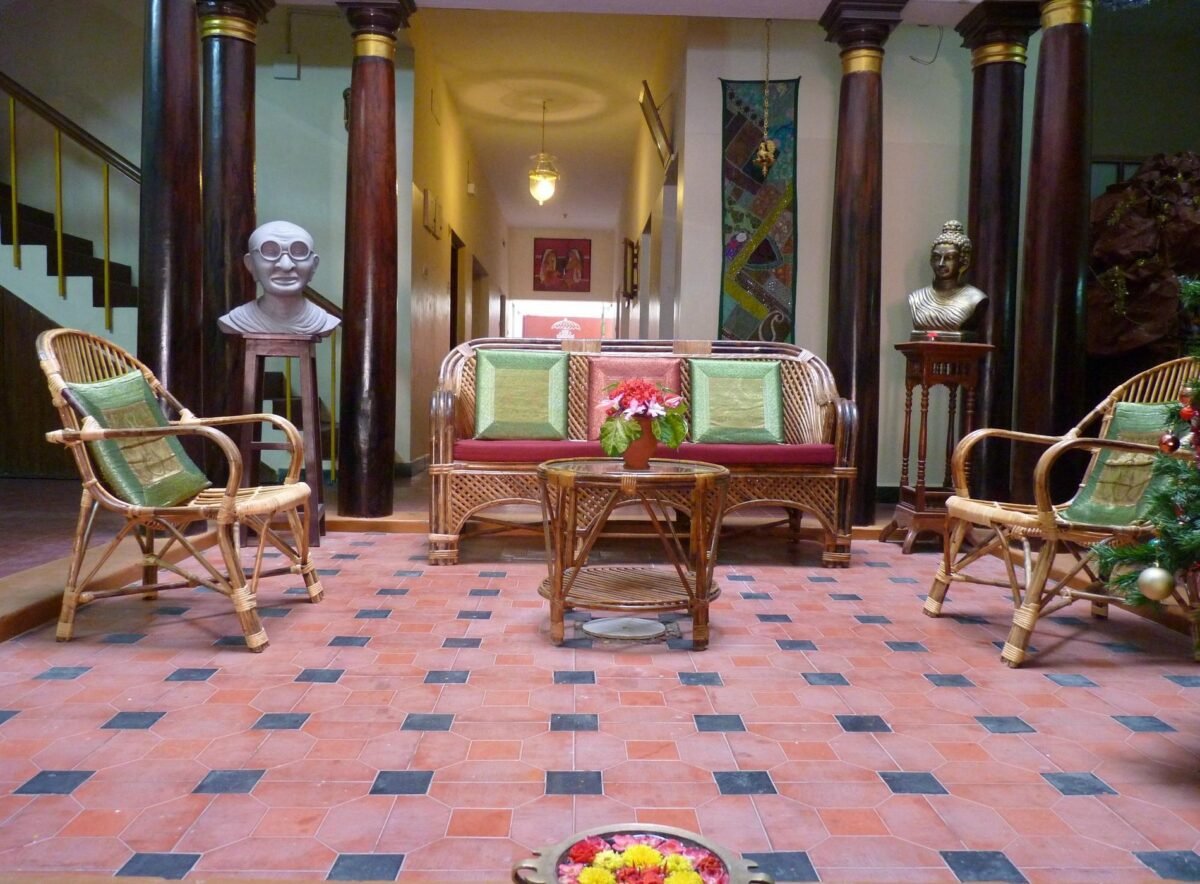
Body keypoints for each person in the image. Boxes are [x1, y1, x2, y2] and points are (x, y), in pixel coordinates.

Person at [218, 220, 339, 337]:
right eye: (270, 253)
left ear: (314, 265)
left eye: (298, 252)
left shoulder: (324, 321)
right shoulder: (237, 320)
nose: (286, 266)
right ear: (251, 264)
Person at [907, 220, 987, 340]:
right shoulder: (917, 297)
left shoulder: (975, 298)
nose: (941, 263)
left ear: (963, 262)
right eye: (936, 257)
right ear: (931, 260)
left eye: (949, 258)